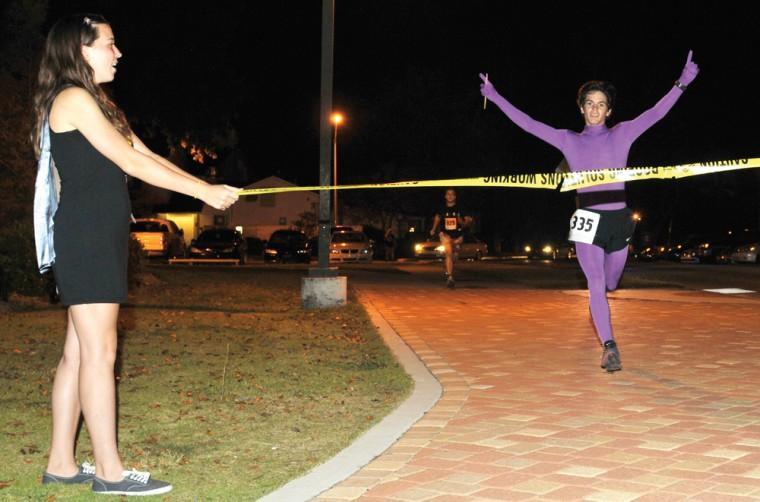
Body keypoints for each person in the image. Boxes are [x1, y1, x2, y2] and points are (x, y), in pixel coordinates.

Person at [31, 13, 239, 495]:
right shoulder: (74, 98)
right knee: (100, 353)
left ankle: (61, 462)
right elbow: (126, 162)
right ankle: (109, 472)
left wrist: (204, 187)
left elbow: (146, 156)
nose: (118, 53)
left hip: (94, 236)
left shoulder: (98, 102)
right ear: (82, 50)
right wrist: (204, 195)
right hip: (85, 237)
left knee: (78, 353)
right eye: (110, 44)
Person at [480, 51, 699, 372]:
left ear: (608, 111)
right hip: (586, 220)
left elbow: (655, 114)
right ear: (581, 108)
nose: (595, 109)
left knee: (611, 283)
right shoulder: (568, 140)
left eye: (601, 104)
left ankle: (602, 307)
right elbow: (529, 124)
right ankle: (610, 346)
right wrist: (496, 98)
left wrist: (681, 84)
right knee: (596, 283)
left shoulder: (622, 133)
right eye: (589, 103)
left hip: (618, 221)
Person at [430, 188, 472, 288]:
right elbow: (437, 218)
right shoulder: (441, 208)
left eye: (452, 194)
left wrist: (462, 222)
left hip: (458, 235)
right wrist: (433, 229)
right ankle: (450, 277)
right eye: (448, 194)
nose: (450, 196)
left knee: (454, 256)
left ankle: (451, 262)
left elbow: (467, 223)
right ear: (445, 196)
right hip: (445, 235)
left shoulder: (460, 208)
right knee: (448, 252)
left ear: (455, 197)